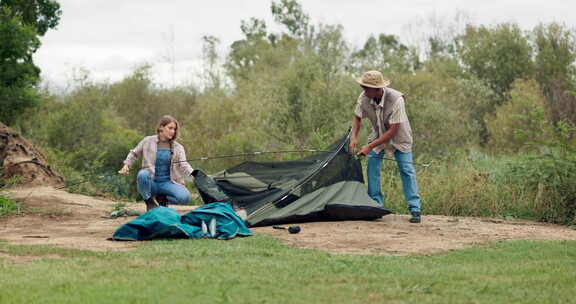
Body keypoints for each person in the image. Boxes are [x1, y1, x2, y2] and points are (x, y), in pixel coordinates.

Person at [349, 70, 422, 223]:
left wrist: (369, 147)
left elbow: (393, 130)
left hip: (399, 137)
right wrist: (354, 137)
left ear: (377, 89)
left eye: (366, 87)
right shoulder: (364, 98)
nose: (363, 89)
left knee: (406, 170)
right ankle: (376, 206)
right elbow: (357, 118)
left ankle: (415, 209)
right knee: (372, 166)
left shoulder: (397, 100)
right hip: (378, 135)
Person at [118, 115, 197, 211]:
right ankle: (149, 201)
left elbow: (184, 165)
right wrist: (126, 165)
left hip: (168, 183)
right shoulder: (148, 141)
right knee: (142, 175)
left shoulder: (178, 147)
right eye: (170, 128)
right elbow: (134, 153)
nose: (173, 131)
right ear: (161, 127)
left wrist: (195, 174)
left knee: (185, 197)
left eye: (174, 129)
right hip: (151, 181)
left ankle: (162, 198)